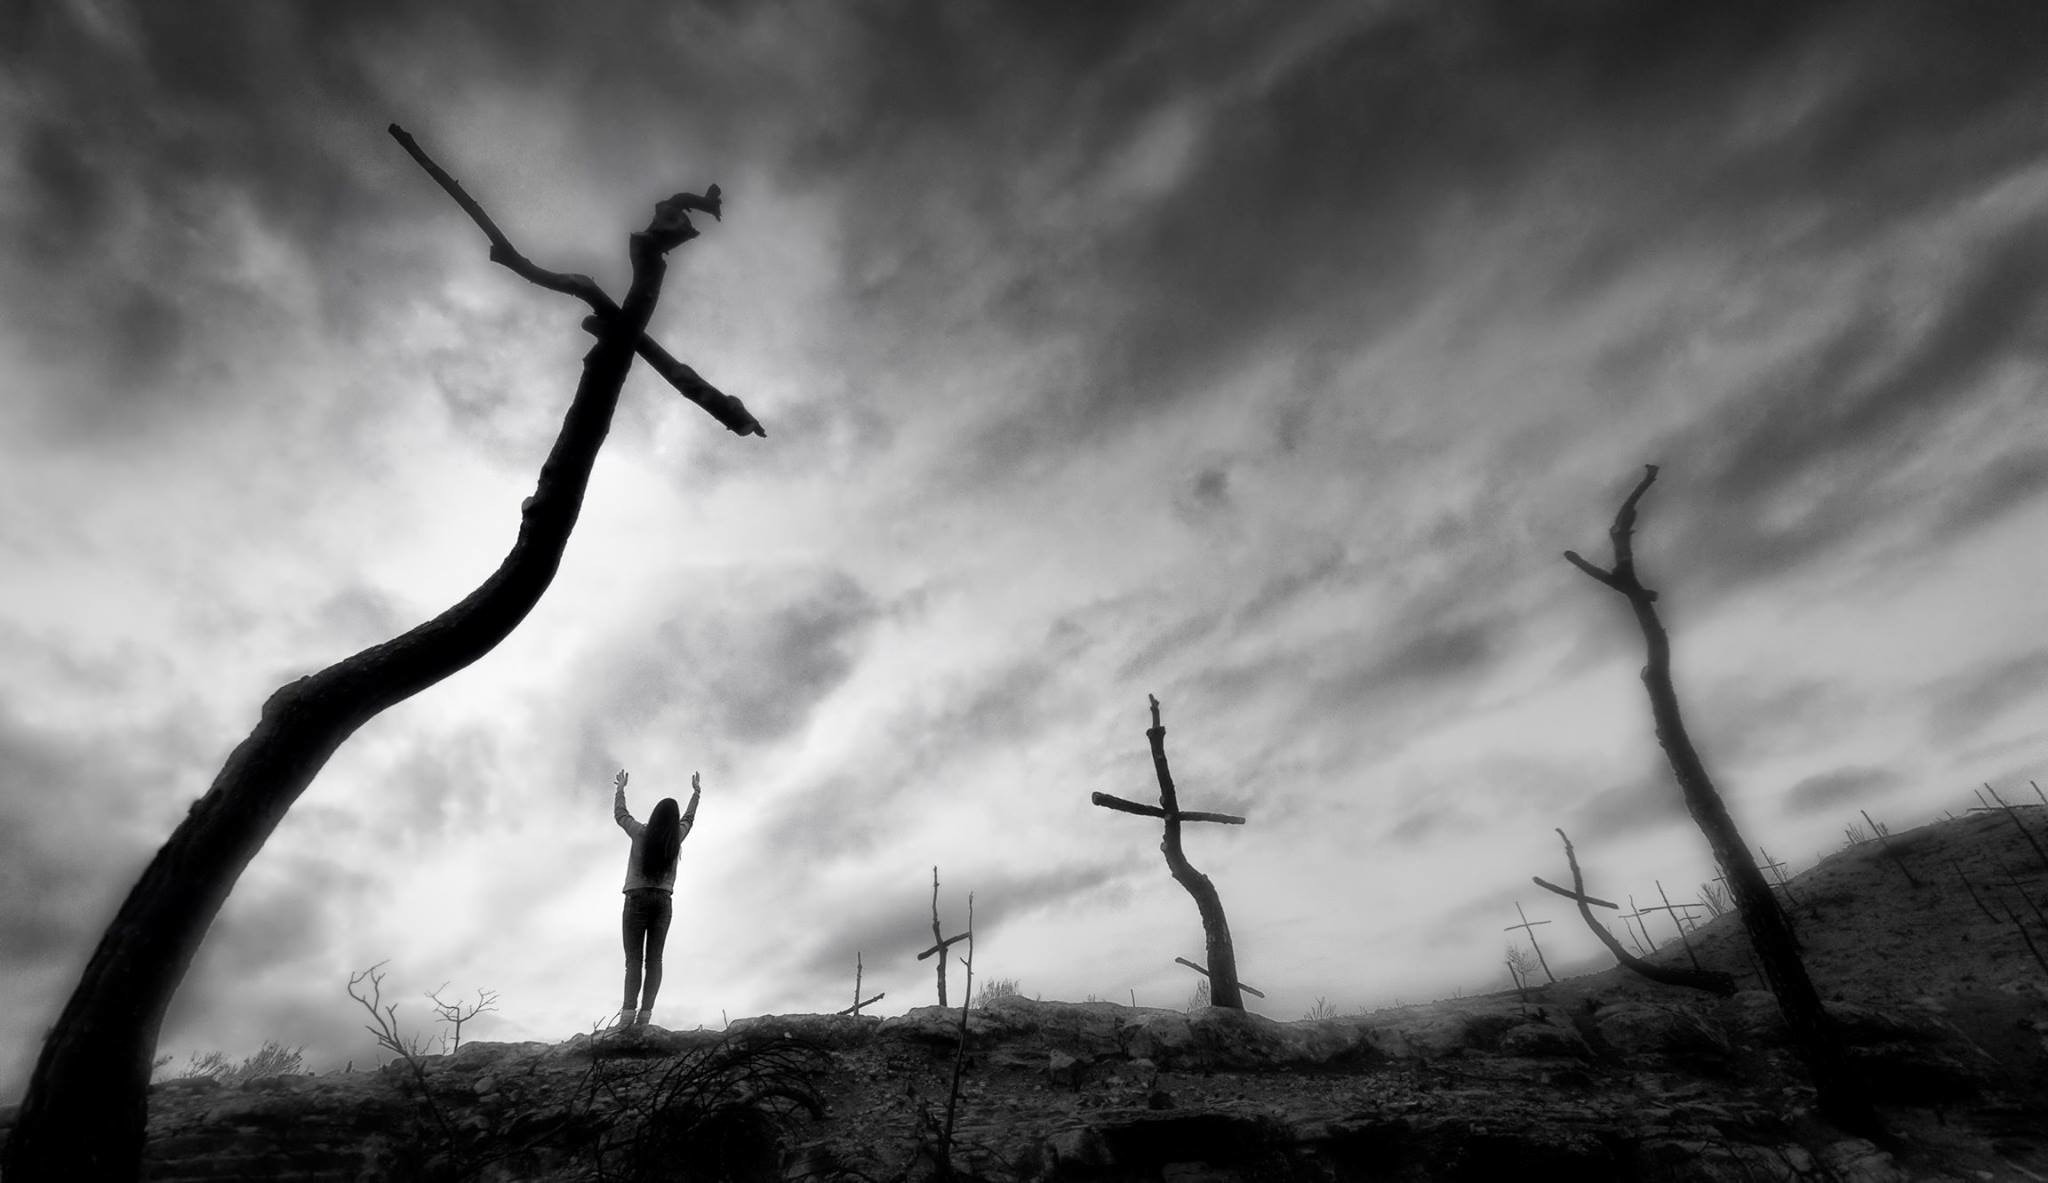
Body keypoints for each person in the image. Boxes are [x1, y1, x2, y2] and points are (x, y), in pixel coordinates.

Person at [611, 767, 700, 1028]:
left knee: (633, 961)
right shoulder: (676, 837)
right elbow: (689, 819)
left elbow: (621, 815)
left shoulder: (640, 832)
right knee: (655, 961)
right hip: (663, 901)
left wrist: (620, 790)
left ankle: (627, 1018)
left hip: (636, 899)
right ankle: (644, 1018)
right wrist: (696, 795)